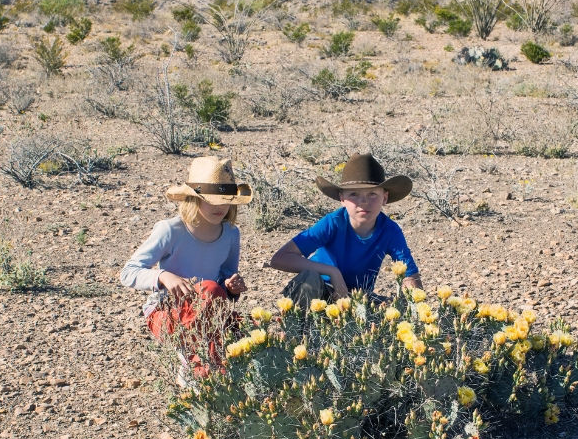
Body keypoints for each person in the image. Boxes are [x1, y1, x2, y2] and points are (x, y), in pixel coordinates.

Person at [120, 156, 252, 379]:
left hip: (209, 310)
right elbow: (128, 272)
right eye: (211, 200)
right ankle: (197, 367)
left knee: (247, 330)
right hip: (166, 313)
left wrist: (231, 287)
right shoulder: (170, 230)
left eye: (226, 200)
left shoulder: (231, 233)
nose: (220, 206)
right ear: (194, 198)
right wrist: (163, 276)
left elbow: (225, 277)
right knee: (210, 292)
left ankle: (207, 370)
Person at [270, 153, 422, 305]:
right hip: (319, 291)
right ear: (342, 198)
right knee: (308, 281)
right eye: (354, 194)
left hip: (357, 298)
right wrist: (332, 272)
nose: (363, 201)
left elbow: (410, 275)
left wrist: (415, 306)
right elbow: (280, 258)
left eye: (372, 194)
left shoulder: (390, 230)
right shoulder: (332, 223)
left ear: (385, 198)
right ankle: (301, 321)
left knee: (391, 306)